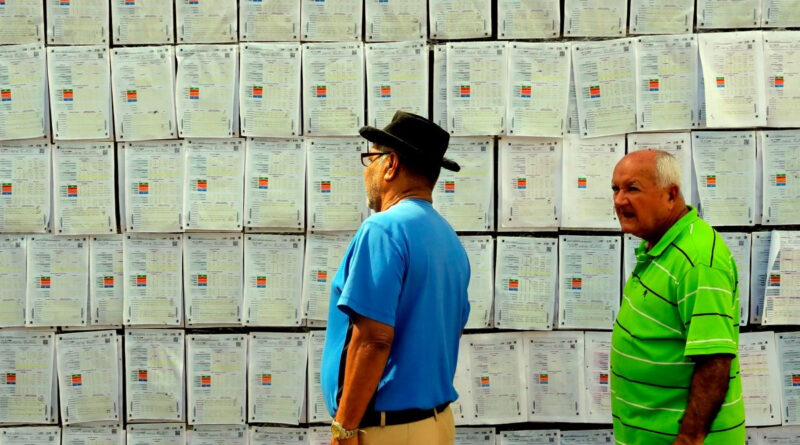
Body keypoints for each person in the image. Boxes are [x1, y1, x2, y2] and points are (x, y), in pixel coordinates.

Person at [320, 110, 471, 445]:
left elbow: (374, 339)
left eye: (370, 159)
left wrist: (344, 428)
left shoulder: (383, 229)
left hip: (386, 431)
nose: (367, 171)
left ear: (391, 165)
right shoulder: (449, 240)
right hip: (436, 424)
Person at [610, 149, 745, 444]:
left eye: (632, 189)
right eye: (616, 189)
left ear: (671, 195)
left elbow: (714, 362)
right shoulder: (660, 246)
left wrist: (688, 439)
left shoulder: (697, 260)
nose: (619, 200)